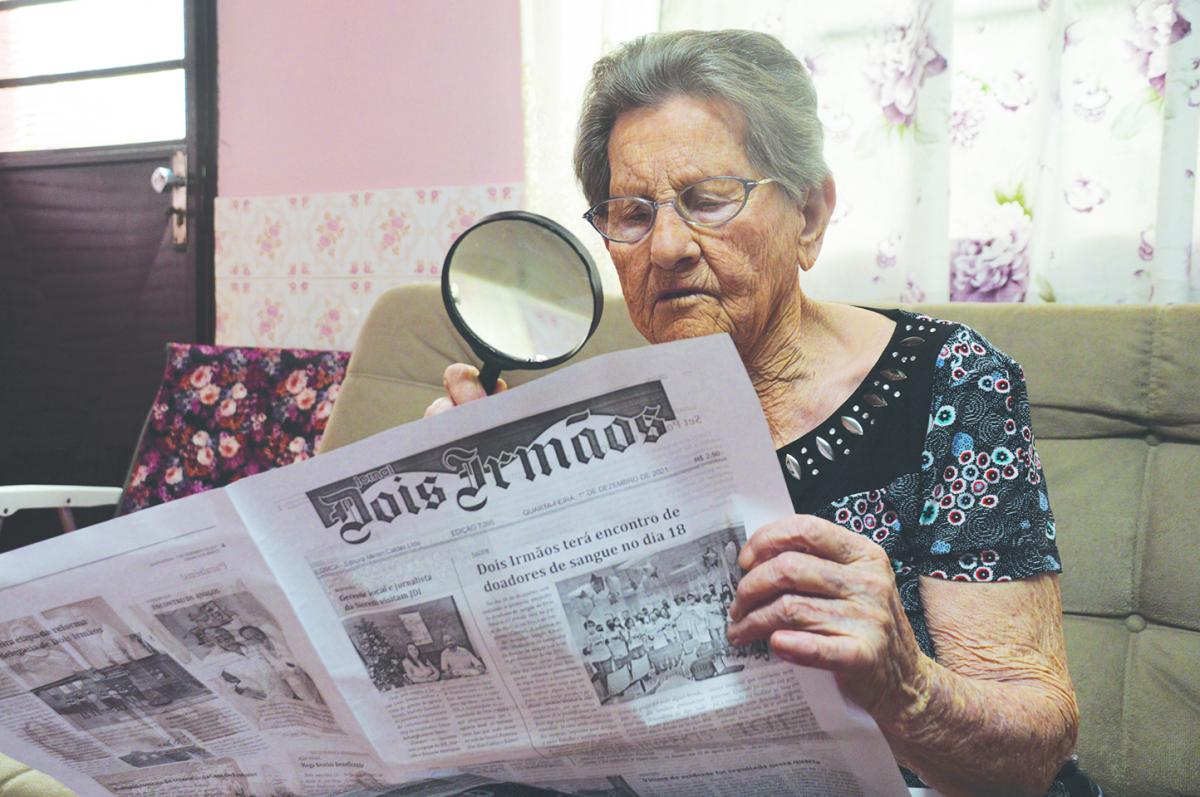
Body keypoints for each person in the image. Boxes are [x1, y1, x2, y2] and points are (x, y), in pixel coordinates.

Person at [427, 29, 1083, 795]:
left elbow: (1039, 740)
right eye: (630, 213)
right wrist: (481, 526)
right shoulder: (596, 427)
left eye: (706, 199)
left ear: (808, 215)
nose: (666, 245)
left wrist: (906, 688)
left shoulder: (952, 383)